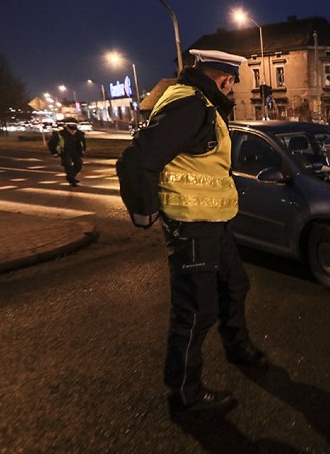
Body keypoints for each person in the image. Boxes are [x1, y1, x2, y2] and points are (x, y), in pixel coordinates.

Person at [125, 49, 265, 413]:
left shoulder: (201, 102)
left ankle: (238, 347)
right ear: (225, 78)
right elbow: (137, 159)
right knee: (195, 311)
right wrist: (145, 212)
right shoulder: (189, 104)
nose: (232, 87)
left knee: (235, 285)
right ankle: (184, 393)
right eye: (232, 80)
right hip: (190, 225)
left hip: (212, 223)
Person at [48, 117, 86, 186]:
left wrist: (83, 151)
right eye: (71, 130)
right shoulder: (60, 134)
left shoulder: (79, 134)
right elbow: (51, 143)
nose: (73, 132)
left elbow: (83, 143)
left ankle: (71, 177)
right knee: (68, 165)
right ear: (66, 127)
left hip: (76, 151)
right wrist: (54, 152)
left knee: (78, 164)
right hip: (64, 151)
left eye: (74, 130)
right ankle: (72, 180)